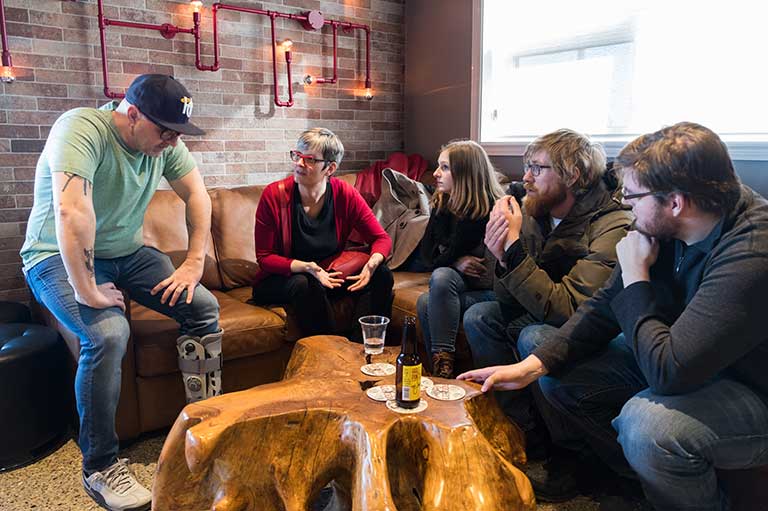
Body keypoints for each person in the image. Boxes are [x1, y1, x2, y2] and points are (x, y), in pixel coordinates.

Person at [458, 122, 768, 510]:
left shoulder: (752, 251)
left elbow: (669, 374)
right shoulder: (665, 224)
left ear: (675, 202)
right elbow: (602, 307)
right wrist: (530, 367)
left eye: (633, 195)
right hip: (685, 360)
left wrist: (637, 276)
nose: (625, 204)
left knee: (648, 425)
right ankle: (631, 482)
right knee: (551, 364)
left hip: (750, 387)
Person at [20, 74, 222, 511]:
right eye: (164, 131)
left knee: (203, 306)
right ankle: (99, 466)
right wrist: (86, 288)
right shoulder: (81, 128)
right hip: (54, 255)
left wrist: (193, 263)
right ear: (131, 113)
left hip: (127, 253)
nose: (171, 142)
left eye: (178, 133)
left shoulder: (165, 144)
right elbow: (73, 211)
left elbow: (198, 196)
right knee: (108, 333)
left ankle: (203, 421)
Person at [462, 129, 631, 445]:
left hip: (594, 328)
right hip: (543, 309)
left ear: (573, 175)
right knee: (480, 315)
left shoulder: (612, 224)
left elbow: (570, 309)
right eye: (527, 167)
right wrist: (502, 258)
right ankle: (521, 426)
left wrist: (512, 250)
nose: (526, 177)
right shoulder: (534, 212)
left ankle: (565, 449)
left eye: (537, 168)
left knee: (533, 335)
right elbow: (508, 299)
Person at [251, 128, 393, 340]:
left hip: (326, 275)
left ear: (330, 168)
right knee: (304, 283)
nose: (299, 164)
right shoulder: (273, 195)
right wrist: (307, 267)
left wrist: (372, 264)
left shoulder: (344, 194)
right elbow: (264, 257)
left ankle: (362, 347)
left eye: (309, 160)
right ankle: (330, 352)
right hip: (283, 278)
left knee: (381, 274)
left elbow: (381, 238)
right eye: (297, 156)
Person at [415, 140, 505, 378]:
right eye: (438, 166)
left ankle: (441, 372)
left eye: (444, 167)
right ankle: (442, 368)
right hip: (458, 287)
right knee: (432, 292)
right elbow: (427, 254)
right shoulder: (443, 204)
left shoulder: (494, 211)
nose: (435, 174)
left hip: (492, 293)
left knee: (436, 288)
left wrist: (448, 261)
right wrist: (455, 261)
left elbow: (487, 277)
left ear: (466, 173)